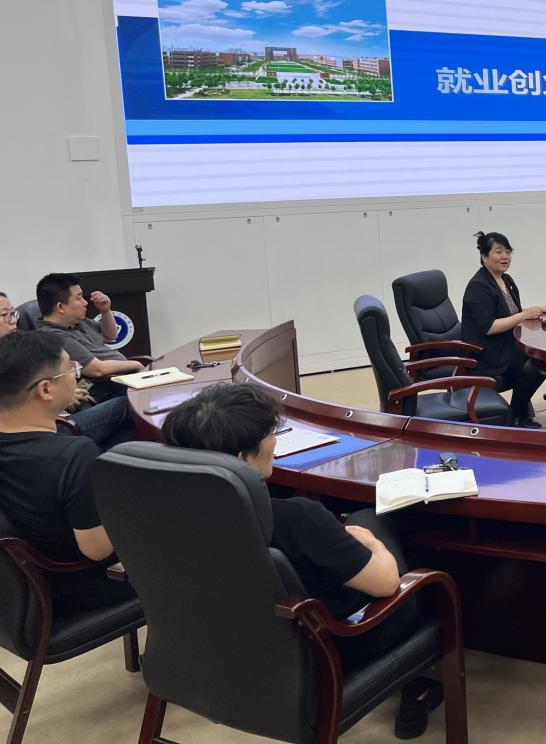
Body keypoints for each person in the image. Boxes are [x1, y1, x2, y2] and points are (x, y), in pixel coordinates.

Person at [162, 382, 442, 738]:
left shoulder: (173, 516)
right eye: (269, 434)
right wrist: (373, 545)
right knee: (389, 539)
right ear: (243, 457)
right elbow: (387, 584)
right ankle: (418, 686)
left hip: (223, 647)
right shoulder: (297, 518)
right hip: (332, 647)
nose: (274, 441)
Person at [0, 331, 135, 613]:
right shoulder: (73, 455)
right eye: (71, 370)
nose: (76, 376)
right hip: (79, 587)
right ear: (45, 389)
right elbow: (98, 550)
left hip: (20, 595)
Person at [0, 290, 133, 450]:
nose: (13, 320)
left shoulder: (15, 350)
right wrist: (59, 398)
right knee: (128, 405)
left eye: (13, 313)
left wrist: (65, 392)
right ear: (60, 307)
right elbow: (14, 409)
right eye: (5, 315)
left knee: (124, 411)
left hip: (63, 407)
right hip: (45, 428)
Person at [460, 231, 546, 428]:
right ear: (484, 257)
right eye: (498, 252)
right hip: (488, 355)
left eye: (508, 252)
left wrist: (537, 310)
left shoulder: (507, 280)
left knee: (542, 358)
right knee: (538, 363)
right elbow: (489, 327)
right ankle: (516, 414)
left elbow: (513, 314)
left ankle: (519, 412)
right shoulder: (478, 286)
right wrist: (523, 315)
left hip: (506, 346)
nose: (505, 256)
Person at [35, 273, 143, 400]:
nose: (85, 302)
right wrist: (137, 364)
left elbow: (110, 335)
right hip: (104, 388)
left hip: (120, 378)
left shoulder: (77, 321)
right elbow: (97, 369)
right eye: (79, 298)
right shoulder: (54, 336)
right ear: (61, 307)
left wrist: (105, 311)